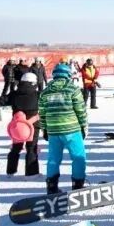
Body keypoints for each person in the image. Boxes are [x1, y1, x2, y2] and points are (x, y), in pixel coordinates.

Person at [39, 63, 89, 193]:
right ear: (68, 75)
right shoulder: (73, 90)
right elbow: (81, 111)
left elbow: (42, 113)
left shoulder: (45, 92)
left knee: (53, 159)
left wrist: (45, 129)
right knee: (78, 157)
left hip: (53, 131)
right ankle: (78, 186)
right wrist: (84, 126)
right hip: (71, 129)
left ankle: (52, 187)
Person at [0, 72, 41, 176]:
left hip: (17, 126)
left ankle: (10, 172)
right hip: (33, 126)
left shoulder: (14, 94)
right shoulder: (38, 95)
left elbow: (0, 101)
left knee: (16, 149)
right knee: (31, 149)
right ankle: (31, 174)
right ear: (34, 83)